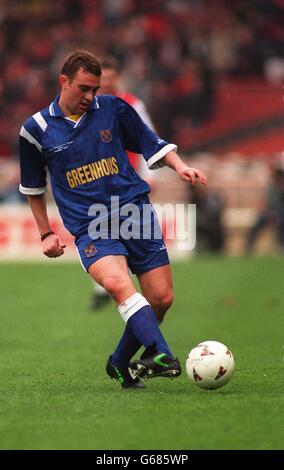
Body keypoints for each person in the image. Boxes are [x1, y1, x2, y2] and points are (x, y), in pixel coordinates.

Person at [19, 50, 207, 389]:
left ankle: (120, 362)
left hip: (135, 212)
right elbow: (33, 187)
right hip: (90, 225)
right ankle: (160, 352)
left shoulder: (114, 109)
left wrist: (181, 167)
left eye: (95, 89)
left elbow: (153, 143)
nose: (90, 97)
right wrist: (46, 233)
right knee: (120, 285)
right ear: (64, 81)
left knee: (161, 299)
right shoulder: (35, 130)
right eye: (83, 88)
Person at [89, 56, 157, 309]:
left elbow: (148, 137)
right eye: (101, 80)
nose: (104, 84)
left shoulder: (131, 104)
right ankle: (104, 287)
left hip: (127, 180)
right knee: (99, 231)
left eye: (108, 79)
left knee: (128, 231)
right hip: (96, 180)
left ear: (117, 79)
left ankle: (135, 284)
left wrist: (151, 175)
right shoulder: (88, 105)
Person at [246, 161, 284, 252]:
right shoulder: (271, 186)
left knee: (281, 222)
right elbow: (266, 201)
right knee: (258, 222)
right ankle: (249, 246)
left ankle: (281, 245)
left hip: (280, 213)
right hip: (269, 212)